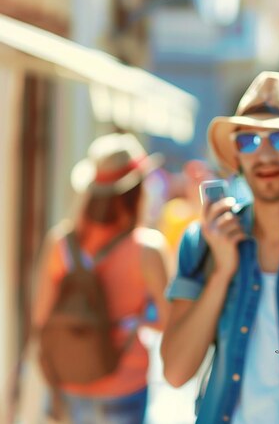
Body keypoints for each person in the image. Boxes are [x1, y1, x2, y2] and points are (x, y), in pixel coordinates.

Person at [160, 71, 279, 424]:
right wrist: (222, 273)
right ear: (236, 154)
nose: (262, 154)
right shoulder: (204, 240)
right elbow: (175, 372)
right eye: (248, 140)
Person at [32, 133, 171, 423]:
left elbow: (40, 316)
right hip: (123, 381)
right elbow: (168, 322)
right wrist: (136, 319)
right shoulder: (147, 248)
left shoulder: (61, 243)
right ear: (137, 190)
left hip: (68, 378)